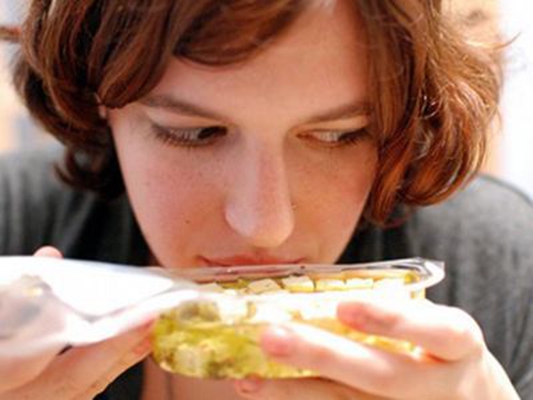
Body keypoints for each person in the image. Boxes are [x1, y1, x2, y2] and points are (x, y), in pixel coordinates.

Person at [0, 0, 531, 399]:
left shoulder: (504, 269)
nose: (265, 225)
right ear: (98, 97)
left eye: (338, 135)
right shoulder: (11, 226)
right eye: (195, 133)